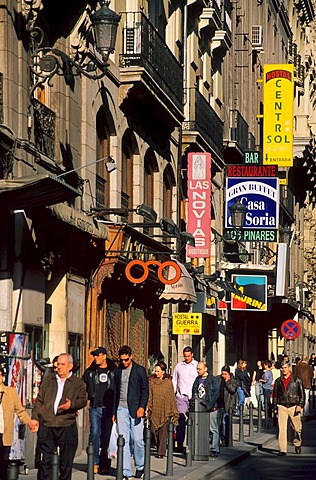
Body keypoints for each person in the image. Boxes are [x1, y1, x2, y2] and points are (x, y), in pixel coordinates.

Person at [31, 353, 87, 480]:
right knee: (46, 462)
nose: (59, 367)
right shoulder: (48, 380)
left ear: (70, 366)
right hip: (48, 425)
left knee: (66, 463)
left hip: (66, 425)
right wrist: (34, 418)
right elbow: (39, 401)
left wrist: (71, 405)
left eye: (63, 364)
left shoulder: (78, 383)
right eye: (58, 364)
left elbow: (83, 401)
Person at [112, 345, 149, 480]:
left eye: (126, 360)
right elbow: (116, 392)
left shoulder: (139, 370)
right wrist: (114, 412)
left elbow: (145, 390)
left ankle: (140, 466)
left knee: (138, 439)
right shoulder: (117, 372)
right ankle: (126, 471)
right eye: (121, 360)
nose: (124, 362)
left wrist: (142, 407)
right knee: (124, 440)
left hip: (136, 409)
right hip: (121, 408)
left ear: (131, 357)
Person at [82, 346, 116, 475]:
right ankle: (94, 462)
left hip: (108, 409)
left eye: (97, 355)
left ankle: (105, 464)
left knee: (107, 437)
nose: (95, 358)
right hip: (95, 407)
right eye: (94, 356)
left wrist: (115, 410)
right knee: (95, 433)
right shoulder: (90, 372)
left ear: (104, 356)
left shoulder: (114, 371)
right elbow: (81, 387)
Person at [0, 367, 37, 480]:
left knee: (2, 464)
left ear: (2, 377)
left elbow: (20, 410)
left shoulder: (10, 392)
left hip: (4, 434)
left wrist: (29, 422)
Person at [273, 360, 305, 455]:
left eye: (285, 368)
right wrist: (274, 407)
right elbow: (275, 395)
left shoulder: (297, 380)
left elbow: (302, 394)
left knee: (297, 428)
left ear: (289, 368)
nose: (284, 370)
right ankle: (282, 450)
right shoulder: (278, 381)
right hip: (282, 406)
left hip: (293, 406)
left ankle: (297, 443)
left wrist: (300, 405)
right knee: (282, 428)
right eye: (282, 368)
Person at [147, 361, 179, 458]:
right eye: (155, 371)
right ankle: (158, 447)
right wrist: (148, 407)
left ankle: (161, 452)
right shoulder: (152, 383)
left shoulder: (168, 383)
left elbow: (171, 397)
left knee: (163, 433)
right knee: (154, 431)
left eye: (158, 371)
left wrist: (173, 410)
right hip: (155, 410)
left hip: (165, 410)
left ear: (163, 372)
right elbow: (150, 396)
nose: (156, 373)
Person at [172, 346, 198, 453]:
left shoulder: (197, 365)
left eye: (188, 356)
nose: (186, 358)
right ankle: (179, 443)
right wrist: (173, 395)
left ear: (192, 354)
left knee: (192, 422)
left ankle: (192, 444)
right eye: (185, 356)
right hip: (181, 397)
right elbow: (174, 380)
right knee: (181, 420)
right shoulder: (179, 366)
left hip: (193, 397)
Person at [192, 361, 220, 457]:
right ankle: (202, 447)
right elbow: (194, 391)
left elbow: (216, 392)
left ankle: (215, 448)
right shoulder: (197, 379)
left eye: (200, 369)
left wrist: (209, 404)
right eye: (197, 368)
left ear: (205, 369)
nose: (198, 370)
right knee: (201, 428)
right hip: (199, 408)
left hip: (210, 408)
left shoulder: (212, 379)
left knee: (213, 428)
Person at [216, 366, 238, 447]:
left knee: (224, 423)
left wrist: (227, 381)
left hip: (227, 405)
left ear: (228, 374)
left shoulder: (233, 381)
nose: (223, 376)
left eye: (225, 374)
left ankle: (225, 440)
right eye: (222, 374)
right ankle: (219, 439)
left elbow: (232, 390)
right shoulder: (218, 379)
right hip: (219, 404)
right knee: (218, 423)